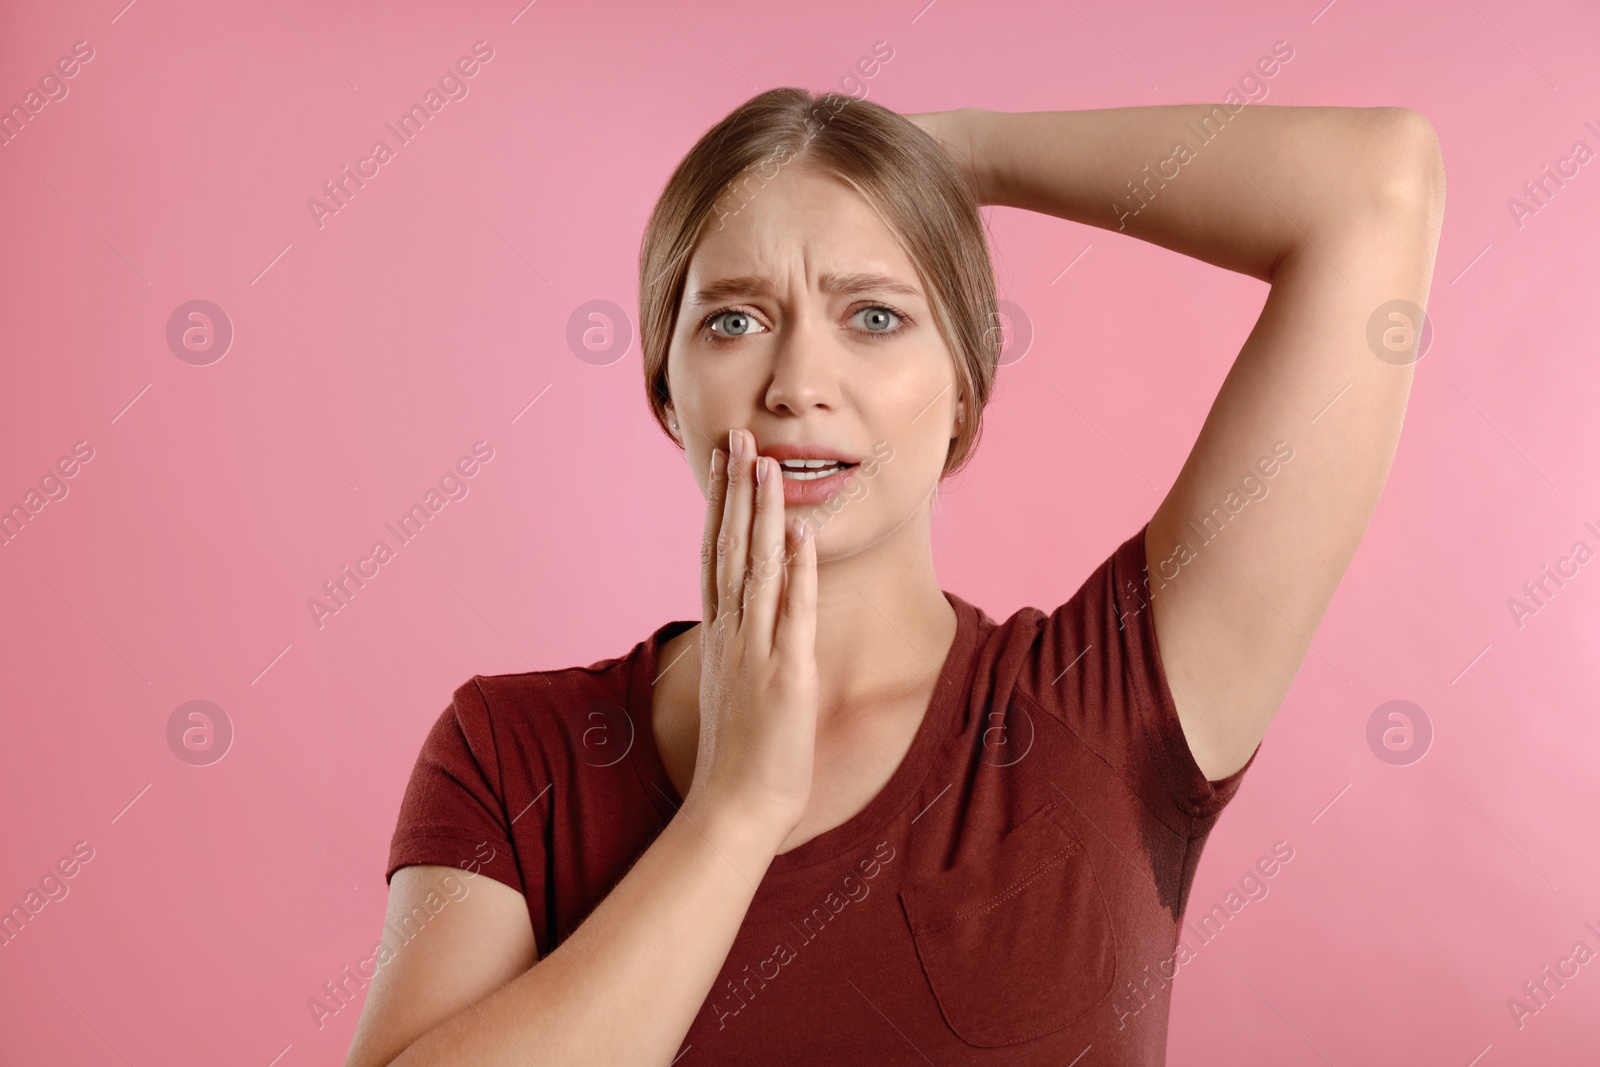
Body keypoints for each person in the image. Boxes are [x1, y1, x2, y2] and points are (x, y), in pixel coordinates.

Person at [344, 89, 1444, 1065]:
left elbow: (1375, 186)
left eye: (875, 316)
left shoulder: (1112, 708)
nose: (798, 382)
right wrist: (734, 811)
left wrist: (961, 151)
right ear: (666, 388)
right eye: (734, 318)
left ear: (964, 391)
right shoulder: (513, 750)